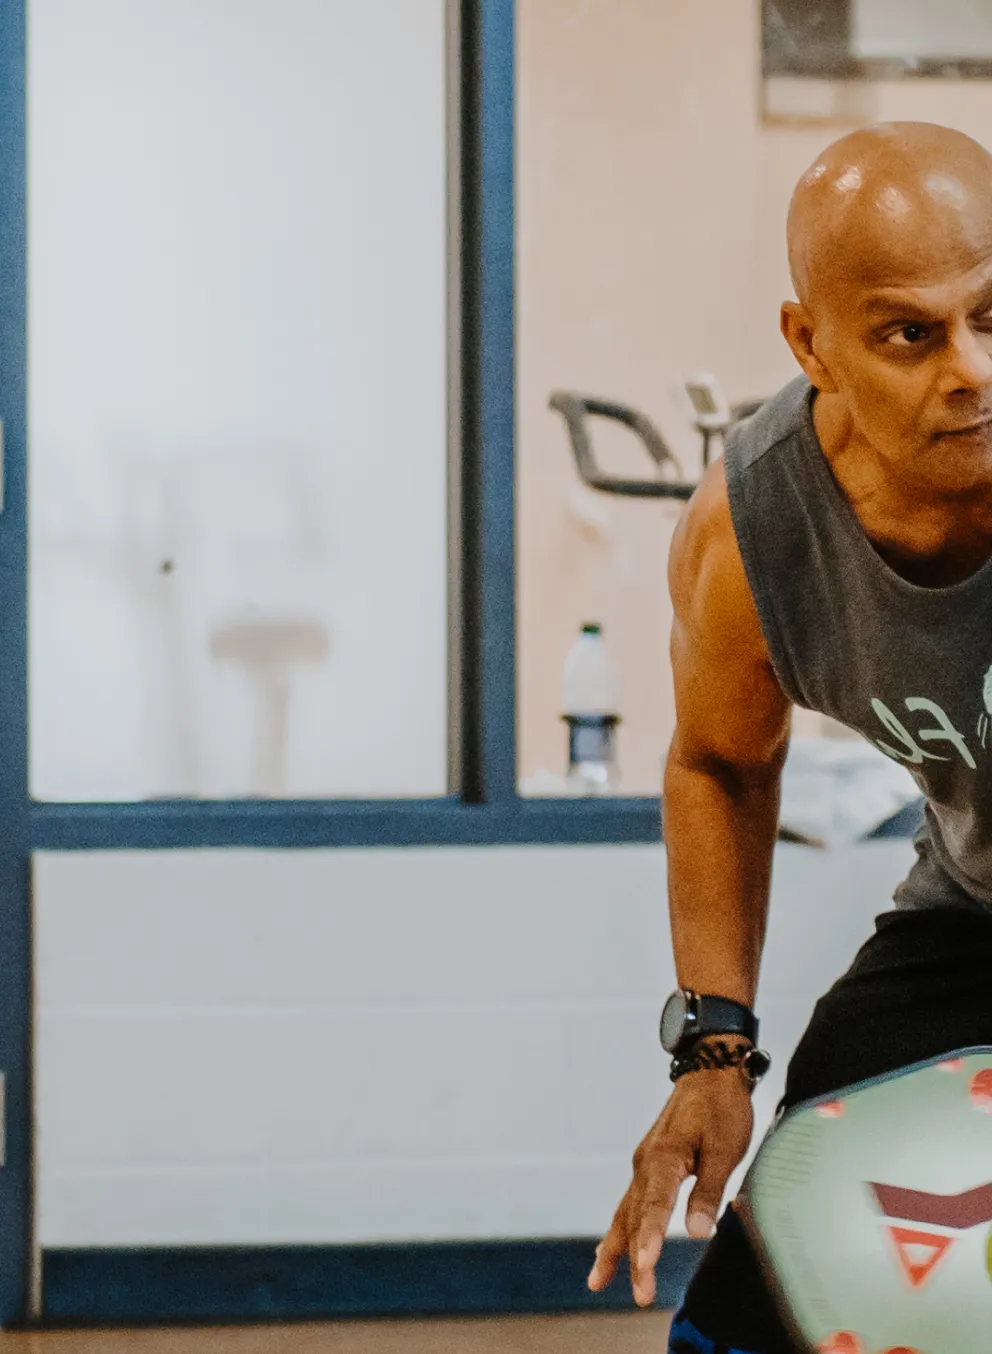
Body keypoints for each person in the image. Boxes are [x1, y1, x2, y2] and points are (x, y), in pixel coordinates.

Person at [586, 120, 992, 1353]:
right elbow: (718, 759)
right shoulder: (749, 535)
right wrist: (713, 1050)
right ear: (809, 344)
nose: (969, 368)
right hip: (969, 911)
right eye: (908, 333)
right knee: (760, 1317)